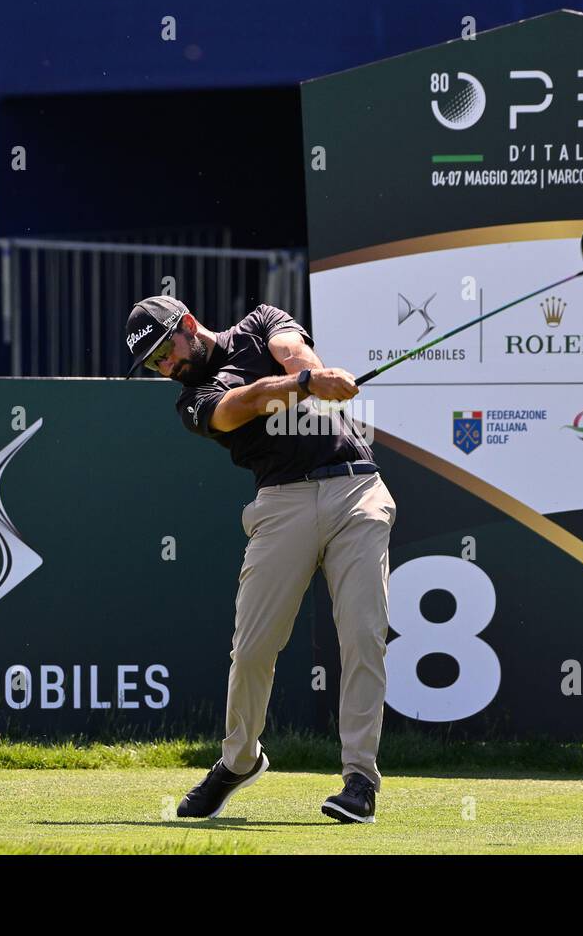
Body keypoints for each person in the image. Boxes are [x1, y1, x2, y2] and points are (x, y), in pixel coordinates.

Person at [124, 295, 397, 823]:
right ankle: (238, 761)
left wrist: (313, 376)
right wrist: (300, 387)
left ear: (188, 325)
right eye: (155, 364)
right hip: (280, 502)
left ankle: (360, 777)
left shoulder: (260, 323)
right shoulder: (193, 400)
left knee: (363, 634)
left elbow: (293, 351)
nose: (166, 367)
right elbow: (239, 407)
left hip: (355, 489)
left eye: (166, 351)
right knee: (252, 649)